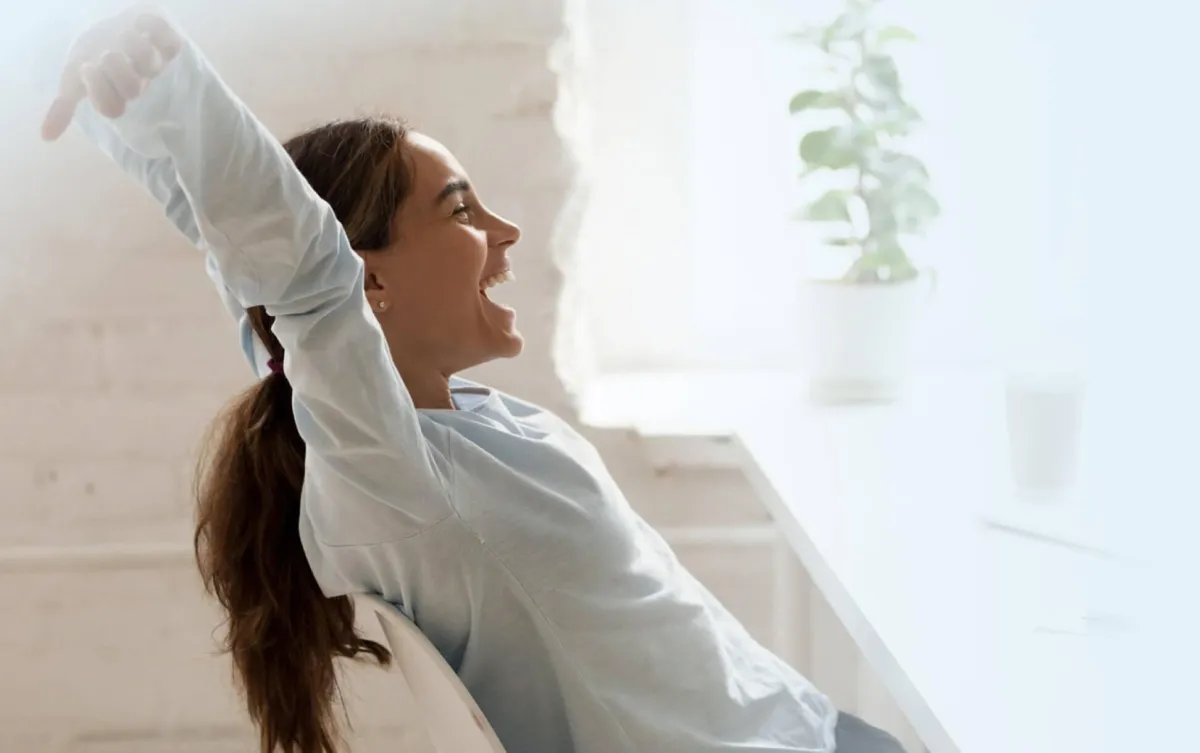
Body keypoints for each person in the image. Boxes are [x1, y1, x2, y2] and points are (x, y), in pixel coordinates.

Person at [41, 7, 906, 753]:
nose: (505, 230)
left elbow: (257, 285)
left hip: (800, 724)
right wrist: (174, 85)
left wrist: (138, 122)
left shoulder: (396, 432)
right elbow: (298, 277)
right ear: (368, 280)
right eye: (460, 210)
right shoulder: (393, 482)